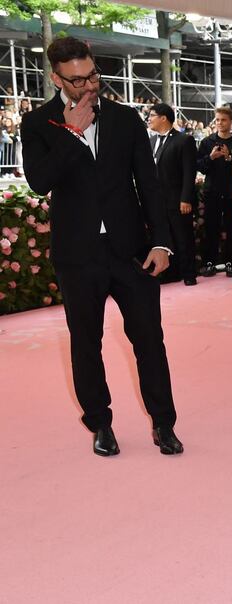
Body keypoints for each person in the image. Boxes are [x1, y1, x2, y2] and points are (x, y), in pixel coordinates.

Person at [21, 36, 183, 456]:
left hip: (131, 251)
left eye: (92, 74)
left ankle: (164, 423)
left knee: (150, 339)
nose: (89, 85)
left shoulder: (126, 118)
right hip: (78, 255)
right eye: (77, 80)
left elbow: (149, 183)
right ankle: (100, 424)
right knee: (85, 343)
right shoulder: (39, 124)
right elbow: (40, 182)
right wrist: (72, 132)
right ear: (56, 77)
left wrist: (162, 241)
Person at [147, 103, 198, 286]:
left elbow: (189, 172)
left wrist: (185, 198)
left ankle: (189, 273)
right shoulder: (151, 141)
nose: (149, 119)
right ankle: (171, 273)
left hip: (177, 200)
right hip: (157, 202)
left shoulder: (184, 140)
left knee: (183, 237)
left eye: (152, 115)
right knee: (164, 238)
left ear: (163, 118)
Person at [197, 106, 232, 278]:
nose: (220, 123)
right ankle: (210, 262)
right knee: (211, 228)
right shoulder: (207, 142)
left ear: (231, 122)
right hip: (212, 192)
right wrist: (211, 157)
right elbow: (199, 166)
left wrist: (229, 158)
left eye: (223, 120)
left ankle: (231, 261)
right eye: (217, 120)